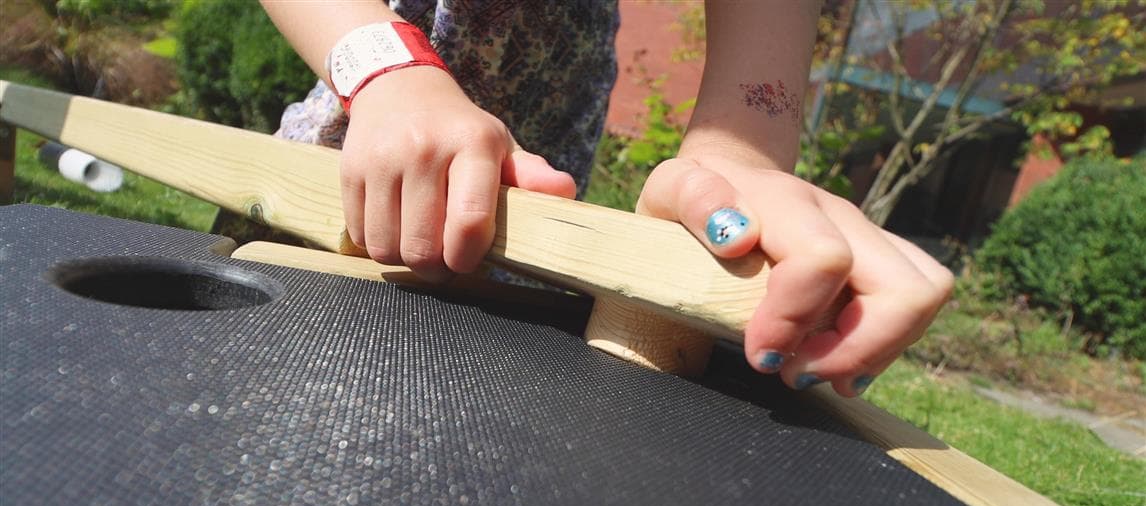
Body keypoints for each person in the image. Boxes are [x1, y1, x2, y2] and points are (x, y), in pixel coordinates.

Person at [261, 0, 954, 398]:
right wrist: (388, 75)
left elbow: (743, 137)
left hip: (524, 215)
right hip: (349, 158)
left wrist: (740, 157)